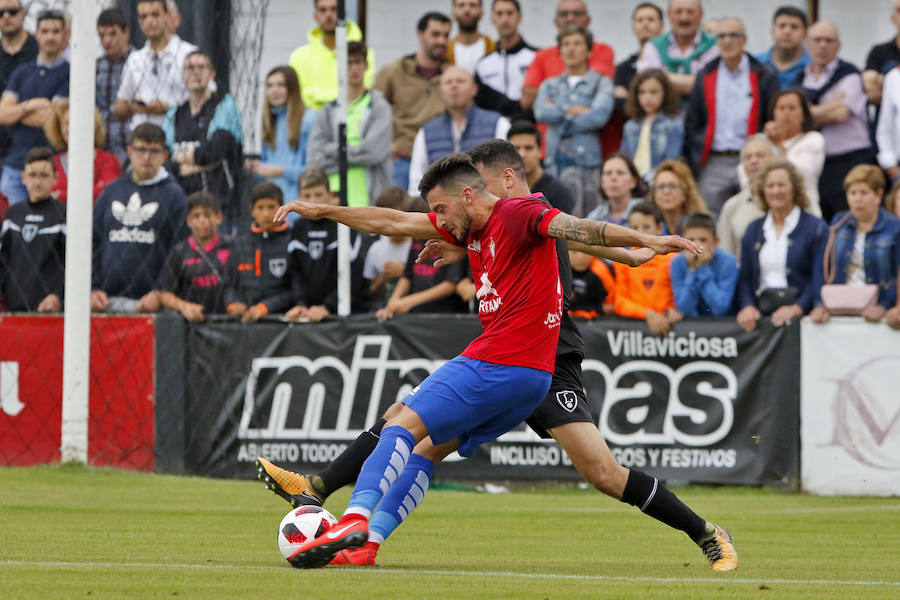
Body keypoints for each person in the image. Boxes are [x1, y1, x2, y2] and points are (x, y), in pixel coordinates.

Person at [261, 147, 734, 573]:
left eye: (446, 206)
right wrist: (323, 209)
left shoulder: (526, 214)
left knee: (601, 474)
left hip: (543, 359)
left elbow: (588, 234)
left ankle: (707, 532)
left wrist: (643, 241)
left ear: (496, 182)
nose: (441, 218)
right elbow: (389, 221)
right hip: (520, 363)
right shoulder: (478, 228)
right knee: (422, 444)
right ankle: (358, 531)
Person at [684, 17, 780, 216]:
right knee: (708, 219)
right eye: (722, 36)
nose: (727, 41)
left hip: (752, 159)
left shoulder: (764, 74)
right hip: (714, 162)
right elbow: (693, 121)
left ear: (744, 40)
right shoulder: (706, 74)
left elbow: (772, 118)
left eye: (733, 35)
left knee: (755, 214)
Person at [91, 123, 187, 314]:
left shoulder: (175, 196)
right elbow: (93, 242)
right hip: (105, 301)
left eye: (154, 151)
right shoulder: (111, 191)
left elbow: (181, 250)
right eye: (141, 149)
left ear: (165, 155)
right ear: (129, 151)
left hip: (152, 305)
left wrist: (161, 291)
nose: (146, 157)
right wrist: (92, 288)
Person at [735, 160, 827, 332]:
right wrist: (747, 306)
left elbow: (819, 275)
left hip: (803, 321)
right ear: (763, 190)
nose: (776, 191)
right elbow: (745, 278)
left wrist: (798, 307)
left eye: (781, 185)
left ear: (794, 188)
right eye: (770, 185)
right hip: (761, 319)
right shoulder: (754, 229)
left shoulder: (816, 227)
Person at [795, 21, 872, 223]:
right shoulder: (801, 78)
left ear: (838, 46)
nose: (822, 45)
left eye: (828, 41)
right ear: (807, 44)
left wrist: (808, 113)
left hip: (849, 161)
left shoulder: (849, 74)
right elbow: (794, 119)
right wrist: (829, 106)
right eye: (817, 40)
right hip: (816, 165)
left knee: (849, 222)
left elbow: (840, 114)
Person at [534, 25, 613, 217]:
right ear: (559, 51)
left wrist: (558, 111)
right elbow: (541, 112)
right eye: (566, 44)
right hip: (555, 163)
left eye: (577, 43)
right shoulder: (549, 84)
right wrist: (574, 111)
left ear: (588, 50)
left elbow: (598, 116)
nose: (571, 48)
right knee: (554, 219)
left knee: (587, 221)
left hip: (587, 165)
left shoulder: (601, 82)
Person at [163, 50, 242, 237]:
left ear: (212, 74)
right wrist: (197, 162)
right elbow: (167, 159)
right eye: (190, 68)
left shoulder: (224, 105)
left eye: (201, 67)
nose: (196, 72)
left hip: (218, 205)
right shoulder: (175, 113)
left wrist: (187, 160)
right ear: (183, 76)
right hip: (182, 204)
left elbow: (215, 151)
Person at [809, 165, 900, 325]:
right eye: (852, 193)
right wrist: (820, 303)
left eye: (864, 193)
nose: (857, 199)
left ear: (878, 195)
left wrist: (884, 305)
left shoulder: (894, 227)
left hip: (881, 309)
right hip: (840, 306)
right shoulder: (838, 223)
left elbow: (897, 275)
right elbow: (821, 268)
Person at [307, 42, 393, 207]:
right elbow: (314, 158)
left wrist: (331, 149)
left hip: (370, 200)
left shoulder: (379, 106)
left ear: (366, 65)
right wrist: (353, 151)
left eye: (358, 62)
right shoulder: (329, 110)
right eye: (348, 63)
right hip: (332, 199)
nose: (353, 68)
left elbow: (372, 153)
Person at [374, 12, 451, 189]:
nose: (441, 40)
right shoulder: (393, 72)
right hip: (401, 159)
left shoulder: (452, 75)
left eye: (446, 35)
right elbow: (371, 109)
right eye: (435, 34)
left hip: (440, 161)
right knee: (395, 212)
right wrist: (386, 145)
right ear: (420, 34)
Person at [285, 168, 372, 323]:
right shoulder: (297, 228)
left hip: (343, 315)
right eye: (307, 195)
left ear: (330, 195)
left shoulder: (345, 225)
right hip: (306, 313)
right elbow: (294, 271)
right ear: (298, 197)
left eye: (318, 195)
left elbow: (355, 273)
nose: (313, 200)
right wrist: (301, 304)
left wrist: (327, 306)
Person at [0, 9, 68, 205]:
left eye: (56, 31)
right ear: (36, 34)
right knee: (11, 228)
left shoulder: (71, 73)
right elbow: (2, 114)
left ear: (65, 35)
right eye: (45, 31)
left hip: (52, 167)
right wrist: (31, 105)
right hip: (15, 167)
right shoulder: (22, 72)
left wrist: (18, 111)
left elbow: (50, 118)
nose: (50, 37)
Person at [407, 66, 509, 196]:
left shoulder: (498, 123)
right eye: (448, 82)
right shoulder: (426, 131)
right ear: (441, 92)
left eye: (460, 81)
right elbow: (416, 179)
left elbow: (507, 170)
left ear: (474, 89)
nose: (454, 86)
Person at [114, 0, 198, 132]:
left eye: (155, 15)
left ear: (167, 16)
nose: (149, 21)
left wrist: (168, 109)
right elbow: (119, 107)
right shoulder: (135, 59)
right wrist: (141, 108)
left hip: (180, 136)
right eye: (143, 16)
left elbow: (205, 101)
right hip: (141, 140)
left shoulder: (189, 54)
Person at [0, 146, 65, 312]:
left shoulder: (64, 215)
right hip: (14, 311)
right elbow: (3, 260)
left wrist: (59, 296)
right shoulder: (13, 215)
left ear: (55, 178)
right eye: (32, 175)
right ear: (23, 178)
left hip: (51, 312)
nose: (37, 181)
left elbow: (73, 266)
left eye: (44, 176)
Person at [520, 0, 614, 111]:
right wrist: (573, 106)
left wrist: (550, 99)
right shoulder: (541, 55)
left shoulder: (603, 50)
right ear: (556, 21)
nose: (570, 18)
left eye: (577, 13)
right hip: (551, 126)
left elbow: (595, 88)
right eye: (564, 14)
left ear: (588, 20)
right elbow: (528, 99)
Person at [248, 66, 316, 214]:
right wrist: (257, 167)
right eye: (270, 85)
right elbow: (270, 167)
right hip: (274, 208)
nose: (274, 90)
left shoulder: (309, 120)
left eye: (281, 85)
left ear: (292, 88)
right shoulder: (268, 120)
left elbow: (314, 171)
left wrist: (282, 171)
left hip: (300, 207)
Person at [223, 181, 293, 323]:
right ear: (252, 210)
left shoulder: (292, 242)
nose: (266, 213)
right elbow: (228, 284)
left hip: (282, 323)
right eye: (260, 208)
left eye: (271, 207)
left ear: (283, 208)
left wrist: (266, 307)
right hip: (244, 323)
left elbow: (296, 289)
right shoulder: (240, 243)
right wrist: (233, 303)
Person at [157, 191, 232, 321]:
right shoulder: (179, 252)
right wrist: (184, 307)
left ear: (219, 217)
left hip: (229, 322)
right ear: (188, 221)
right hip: (191, 324)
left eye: (207, 215)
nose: (202, 221)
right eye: (196, 216)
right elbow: (164, 293)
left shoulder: (232, 246)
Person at [288, 0, 375, 111]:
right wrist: (339, 97)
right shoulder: (298, 56)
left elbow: (361, 93)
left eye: (334, 9)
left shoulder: (364, 54)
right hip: (312, 122)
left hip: (352, 120)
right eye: (323, 10)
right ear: (316, 16)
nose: (328, 15)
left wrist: (315, 95)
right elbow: (297, 98)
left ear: (344, 13)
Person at [613, 201, 681, 334]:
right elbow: (620, 302)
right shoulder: (622, 260)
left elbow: (678, 296)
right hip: (633, 333)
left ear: (659, 227)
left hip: (670, 328)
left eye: (646, 227)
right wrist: (648, 314)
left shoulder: (673, 259)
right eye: (635, 228)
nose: (640, 233)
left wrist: (673, 310)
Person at [42, 99, 121, 204]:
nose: (71, 128)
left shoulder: (107, 160)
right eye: (66, 124)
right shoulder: (53, 163)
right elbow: (45, 197)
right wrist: (94, 190)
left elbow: (109, 193)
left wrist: (61, 195)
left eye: (76, 122)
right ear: (59, 129)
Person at [636, 0, 718, 99]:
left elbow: (715, 85)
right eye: (678, 12)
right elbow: (649, 84)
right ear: (669, 15)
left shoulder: (715, 45)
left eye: (690, 12)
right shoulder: (653, 46)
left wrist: (661, 77)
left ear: (701, 15)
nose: (684, 18)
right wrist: (698, 82)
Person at [761, 89, 823, 214]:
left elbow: (801, 174)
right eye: (781, 108)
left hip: (805, 210)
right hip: (768, 212)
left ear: (804, 113)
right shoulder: (762, 141)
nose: (786, 113)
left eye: (792, 108)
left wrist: (778, 145)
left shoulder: (813, 139)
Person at [376, 236, 468, 320]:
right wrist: (392, 303)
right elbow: (407, 275)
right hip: (416, 315)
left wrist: (409, 301)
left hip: (446, 316)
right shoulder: (417, 237)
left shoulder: (451, 238)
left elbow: (452, 283)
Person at [472, 0, 536, 119]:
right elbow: (479, 103)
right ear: (492, 19)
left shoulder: (535, 57)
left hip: (526, 129)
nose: (505, 19)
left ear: (519, 17)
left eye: (509, 13)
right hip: (492, 130)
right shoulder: (483, 64)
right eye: (499, 14)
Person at [717, 134, 775, 261]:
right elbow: (725, 257)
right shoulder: (732, 206)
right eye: (748, 157)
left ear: (775, 160)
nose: (753, 161)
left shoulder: (796, 200)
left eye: (760, 156)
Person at [670, 212, 738, 317]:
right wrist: (692, 269)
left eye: (703, 240)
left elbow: (720, 308)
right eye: (691, 240)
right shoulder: (676, 263)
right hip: (690, 328)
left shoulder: (728, 261)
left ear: (715, 241)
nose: (696, 245)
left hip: (722, 327)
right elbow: (683, 308)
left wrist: (702, 267)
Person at [620, 68, 683, 179]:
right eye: (642, 92)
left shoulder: (674, 124)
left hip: (658, 182)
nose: (647, 97)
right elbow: (624, 159)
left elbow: (671, 161)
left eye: (653, 92)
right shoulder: (630, 126)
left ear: (665, 93)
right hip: (633, 184)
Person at [506, 120, 574, 214]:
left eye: (528, 148)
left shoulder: (559, 193)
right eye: (516, 148)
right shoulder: (501, 191)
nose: (522, 154)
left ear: (540, 151)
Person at [0, 0, 37, 165]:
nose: (6, 16)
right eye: (1, 13)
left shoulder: (38, 50)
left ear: (23, 14)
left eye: (12, 11)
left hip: (31, 144)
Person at [363, 187, 415, 305]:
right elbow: (370, 293)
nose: (390, 226)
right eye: (384, 219)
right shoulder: (376, 249)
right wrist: (383, 278)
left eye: (395, 219)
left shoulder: (419, 245)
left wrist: (405, 273)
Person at [96, 7, 133, 164]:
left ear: (126, 32)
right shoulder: (96, 67)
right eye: (102, 35)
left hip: (131, 147)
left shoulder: (138, 63)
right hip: (102, 150)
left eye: (112, 34)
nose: (106, 41)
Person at [614, 3, 665, 105]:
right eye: (640, 20)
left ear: (662, 26)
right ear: (633, 27)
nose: (645, 24)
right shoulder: (623, 68)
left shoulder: (670, 61)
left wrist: (630, 97)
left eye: (651, 19)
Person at [648, 158, 707, 235]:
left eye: (672, 186)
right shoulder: (647, 226)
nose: (666, 192)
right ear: (654, 194)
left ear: (685, 192)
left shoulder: (702, 224)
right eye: (661, 186)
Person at [755, 6, 810, 89]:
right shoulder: (756, 63)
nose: (787, 31)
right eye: (782, 26)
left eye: (794, 27)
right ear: (772, 32)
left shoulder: (813, 66)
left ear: (805, 34)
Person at [586, 152, 647, 225]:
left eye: (620, 173)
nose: (613, 178)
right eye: (608, 173)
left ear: (633, 181)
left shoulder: (648, 212)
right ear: (602, 182)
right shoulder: (593, 218)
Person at [862, 0, 900, 108]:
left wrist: (883, 81)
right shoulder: (879, 51)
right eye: (899, 10)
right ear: (893, 18)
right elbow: (867, 91)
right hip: (884, 122)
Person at [447, 0, 494, 74]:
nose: (467, 10)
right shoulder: (444, 51)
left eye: (472, 5)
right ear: (453, 13)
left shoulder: (494, 48)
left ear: (481, 13)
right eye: (461, 5)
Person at [568, 249, 615, 319]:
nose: (580, 257)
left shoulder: (601, 271)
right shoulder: (560, 268)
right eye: (574, 251)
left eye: (585, 252)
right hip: (568, 316)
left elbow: (610, 305)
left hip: (595, 318)